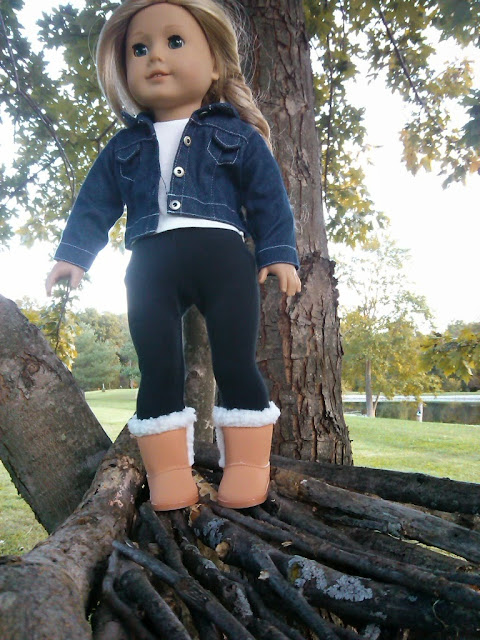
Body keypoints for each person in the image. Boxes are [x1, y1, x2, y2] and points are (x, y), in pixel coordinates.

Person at [45, 0, 301, 511]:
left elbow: (269, 198)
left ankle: (247, 466)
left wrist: (278, 253)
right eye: (139, 49)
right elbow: (94, 204)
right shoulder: (123, 147)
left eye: (174, 42)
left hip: (225, 261)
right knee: (158, 367)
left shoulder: (237, 135)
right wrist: (74, 255)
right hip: (150, 266)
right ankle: (168, 474)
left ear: (215, 64)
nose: (155, 57)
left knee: (235, 361)